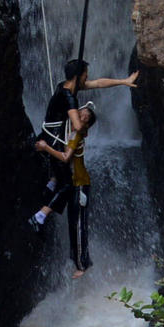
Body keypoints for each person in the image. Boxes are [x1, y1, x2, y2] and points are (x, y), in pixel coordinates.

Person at [32, 106, 97, 277]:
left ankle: (83, 264)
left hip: (80, 184)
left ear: (86, 126)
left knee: (79, 224)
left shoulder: (76, 135)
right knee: (73, 223)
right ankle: (77, 260)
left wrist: (46, 147)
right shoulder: (68, 132)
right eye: (79, 115)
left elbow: (66, 157)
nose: (79, 119)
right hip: (71, 184)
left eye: (84, 119)